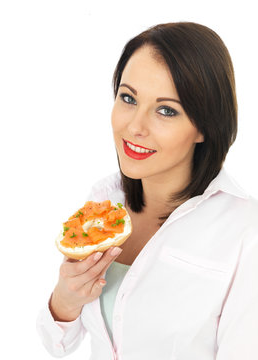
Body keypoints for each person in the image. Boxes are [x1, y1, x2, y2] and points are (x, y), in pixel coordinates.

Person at [36, 22, 258, 359]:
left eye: (166, 110)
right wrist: (66, 299)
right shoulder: (104, 205)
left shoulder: (245, 232)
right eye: (128, 98)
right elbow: (57, 343)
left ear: (204, 126)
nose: (135, 126)